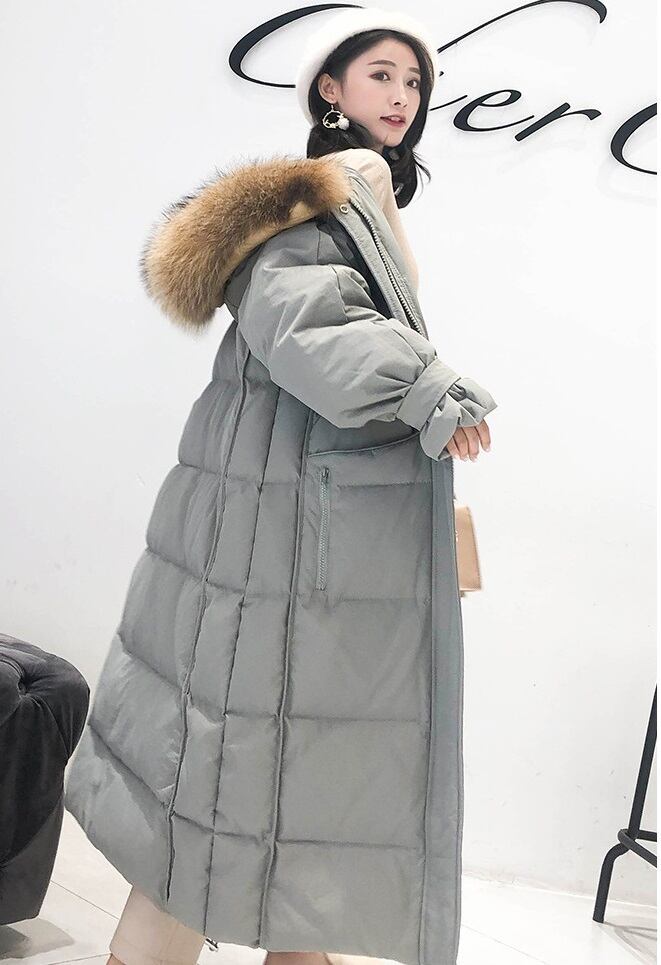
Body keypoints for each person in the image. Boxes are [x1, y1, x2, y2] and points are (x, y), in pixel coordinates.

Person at [64, 7, 497, 965]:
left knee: (271, 806)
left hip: (287, 522)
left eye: (414, 82)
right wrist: (428, 386)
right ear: (329, 90)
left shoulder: (354, 190)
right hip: (279, 534)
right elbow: (306, 328)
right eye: (380, 75)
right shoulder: (329, 193)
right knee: (226, 798)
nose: (402, 96)